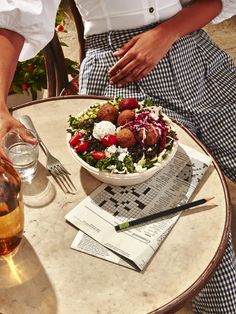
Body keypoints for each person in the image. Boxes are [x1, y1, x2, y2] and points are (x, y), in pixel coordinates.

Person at [0, 1, 236, 313]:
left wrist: (166, 33)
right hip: (123, 71)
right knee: (200, 236)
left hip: (197, 55)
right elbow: (16, 17)